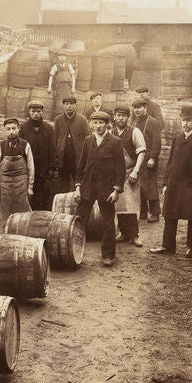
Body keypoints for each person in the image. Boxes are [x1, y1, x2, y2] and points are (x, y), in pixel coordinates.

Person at [150, 103, 192, 259]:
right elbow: (170, 162)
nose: (185, 123)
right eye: (183, 120)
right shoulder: (177, 139)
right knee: (170, 215)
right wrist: (165, 183)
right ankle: (168, 246)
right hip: (174, 184)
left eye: (189, 120)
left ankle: (191, 248)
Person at [74, 110, 125, 267]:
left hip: (106, 189)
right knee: (78, 221)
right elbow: (81, 165)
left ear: (107, 124)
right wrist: (78, 187)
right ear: (91, 124)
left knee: (108, 222)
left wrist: (116, 190)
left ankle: (108, 255)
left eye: (101, 123)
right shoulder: (88, 140)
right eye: (95, 123)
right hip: (88, 187)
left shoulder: (115, 142)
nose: (98, 126)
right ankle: (73, 251)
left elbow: (120, 169)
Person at [110, 104, 146, 247]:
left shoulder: (134, 131)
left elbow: (141, 152)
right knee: (118, 205)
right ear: (114, 117)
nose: (120, 118)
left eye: (123, 116)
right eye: (118, 115)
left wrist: (136, 171)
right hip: (115, 174)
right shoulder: (110, 132)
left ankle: (134, 235)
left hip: (130, 173)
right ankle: (123, 233)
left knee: (131, 205)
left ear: (127, 118)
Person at [0, 117, 35, 232]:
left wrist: (30, 187)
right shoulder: (1, 146)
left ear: (18, 129)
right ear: (4, 130)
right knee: (4, 214)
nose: (11, 131)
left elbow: (31, 168)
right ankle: (3, 235)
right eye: (8, 129)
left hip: (21, 186)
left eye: (13, 128)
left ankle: (24, 235)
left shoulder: (25, 145)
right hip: (5, 186)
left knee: (23, 215)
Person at [129, 96, 163, 222]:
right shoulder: (133, 123)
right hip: (138, 158)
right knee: (139, 186)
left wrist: (153, 158)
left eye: (139, 108)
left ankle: (155, 213)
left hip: (149, 159)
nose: (137, 111)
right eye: (135, 108)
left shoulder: (153, 122)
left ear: (145, 108)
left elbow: (157, 142)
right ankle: (142, 213)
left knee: (150, 186)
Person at [20, 99, 55, 211]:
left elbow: (52, 148)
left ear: (42, 112)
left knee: (45, 192)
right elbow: (21, 148)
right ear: (29, 112)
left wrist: (52, 167)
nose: (36, 114)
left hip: (44, 168)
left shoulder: (48, 128)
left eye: (38, 111)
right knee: (30, 193)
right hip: (29, 167)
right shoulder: (23, 127)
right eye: (33, 111)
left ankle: (43, 214)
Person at [52, 96, 90, 198]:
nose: (69, 106)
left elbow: (88, 139)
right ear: (63, 106)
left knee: (79, 184)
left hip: (78, 158)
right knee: (63, 185)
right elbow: (54, 140)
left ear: (75, 105)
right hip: (63, 159)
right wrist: (55, 158)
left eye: (71, 104)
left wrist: (87, 158)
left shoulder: (82, 120)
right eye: (66, 104)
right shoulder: (58, 120)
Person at [47, 52, 77, 120]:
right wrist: (49, 87)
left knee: (68, 103)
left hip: (67, 88)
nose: (61, 58)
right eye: (60, 56)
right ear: (58, 57)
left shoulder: (69, 65)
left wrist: (73, 87)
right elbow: (51, 77)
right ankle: (58, 119)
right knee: (59, 104)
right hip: (59, 88)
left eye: (63, 56)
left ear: (65, 58)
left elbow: (73, 77)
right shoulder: (55, 67)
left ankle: (69, 118)